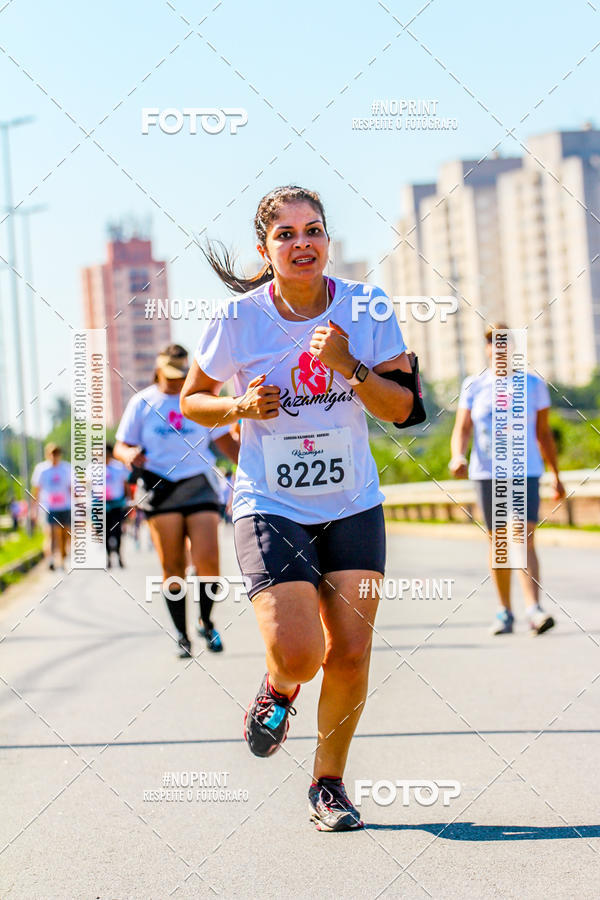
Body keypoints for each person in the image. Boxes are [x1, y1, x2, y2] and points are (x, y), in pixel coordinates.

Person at [180, 185, 420, 832]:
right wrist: (237, 407)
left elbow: (402, 408)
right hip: (270, 502)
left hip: (352, 502)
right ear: (266, 249)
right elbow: (191, 401)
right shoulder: (239, 319)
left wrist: (350, 368)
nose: (302, 243)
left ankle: (329, 784)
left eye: (313, 230)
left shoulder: (365, 306)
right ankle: (279, 687)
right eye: (285, 235)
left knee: (350, 653)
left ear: (327, 240)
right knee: (299, 652)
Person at [114, 344, 239, 658]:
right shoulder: (142, 402)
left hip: (199, 483)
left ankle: (206, 622)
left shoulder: (199, 400)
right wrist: (129, 454)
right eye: (170, 376)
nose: (176, 382)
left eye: (181, 375)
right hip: (160, 486)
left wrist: (255, 464)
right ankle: (182, 634)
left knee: (208, 562)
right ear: (158, 371)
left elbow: (224, 440)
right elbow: (121, 445)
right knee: (174, 568)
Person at [450, 323, 565, 636]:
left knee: (523, 534)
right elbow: (462, 429)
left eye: (503, 342)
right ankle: (504, 611)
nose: (498, 348)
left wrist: (556, 475)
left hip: (525, 470)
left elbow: (543, 434)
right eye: (492, 343)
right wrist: (457, 455)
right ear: (486, 348)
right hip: (487, 473)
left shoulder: (533, 385)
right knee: (498, 541)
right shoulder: (474, 385)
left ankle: (534, 609)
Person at [31, 443, 72, 571]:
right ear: (47, 454)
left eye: (57, 453)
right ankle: (51, 560)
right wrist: (33, 509)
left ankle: (63, 557)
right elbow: (36, 490)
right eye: (52, 453)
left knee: (65, 535)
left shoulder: (66, 468)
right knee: (51, 534)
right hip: (49, 507)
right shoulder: (41, 469)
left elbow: (72, 488)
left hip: (65, 506)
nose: (55, 456)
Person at [105, 443, 130, 568]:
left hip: (117, 503)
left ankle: (119, 555)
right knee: (105, 532)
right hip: (102, 505)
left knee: (117, 531)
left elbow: (126, 485)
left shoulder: (119, 467)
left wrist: (129, 500)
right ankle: (108, 557)